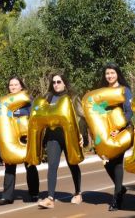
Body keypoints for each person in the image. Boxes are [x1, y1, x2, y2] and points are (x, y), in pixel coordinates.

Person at [38, 74, 84, 209]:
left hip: (69, 136)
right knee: (52, 166)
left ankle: (78, 193)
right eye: (54, 82)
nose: (56, 84)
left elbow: (81, 116)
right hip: (53, 136)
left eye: (59, 82)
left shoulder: (73, 97)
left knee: (73, 164)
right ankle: (50, 198)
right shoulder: (48, 97)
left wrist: (80, 134)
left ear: (64, 83)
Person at [0, 77, 40, 205]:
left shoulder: (27, 99)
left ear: (21, 86)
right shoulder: (4, 101)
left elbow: (31, 111)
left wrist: (15, 113)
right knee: (9, 166)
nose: (13, 87)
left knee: (30, 165)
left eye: (16, 84)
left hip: (26, 135)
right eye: (11, 85)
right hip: (11, 137)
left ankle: (34, 193)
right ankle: (7, 196)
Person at [97, 62, 133, 211]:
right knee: (106, 161)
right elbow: (98, 111)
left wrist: (118, 129)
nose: (109, 76)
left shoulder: (125, 90)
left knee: (117, 162)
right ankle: (120, 188)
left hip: (122, 131)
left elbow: (129, 111)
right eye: (107, 73)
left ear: (117, 74)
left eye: (112, 73)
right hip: (105, 132)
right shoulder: (102, 91)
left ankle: (117, 199)